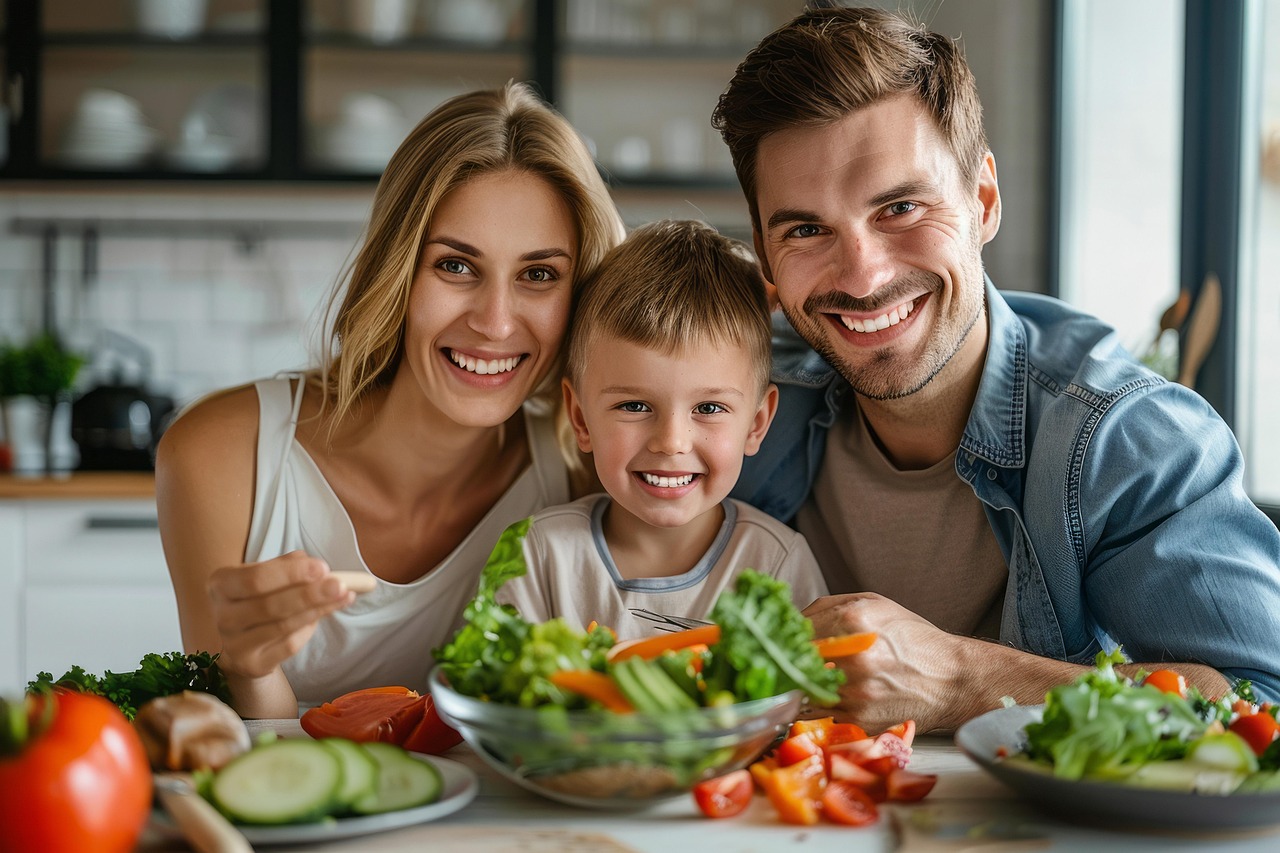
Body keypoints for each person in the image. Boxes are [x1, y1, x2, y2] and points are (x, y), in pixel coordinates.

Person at [712, 6, 1280, 732]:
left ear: (982, 201)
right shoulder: (736, 404)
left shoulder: (1128, 438)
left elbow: (1262, 701)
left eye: (900, 207)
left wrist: (958, 678)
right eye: (806, 229)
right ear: (764, 257)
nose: (860, 275)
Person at [155, 82, 626, 719]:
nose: (494, 322)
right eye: (456, 266)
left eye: (538, 275)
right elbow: (228, 749)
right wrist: (247, 668)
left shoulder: (579, 477)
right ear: (396, 270)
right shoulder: (222, 454)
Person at [496, 219, 827, 638]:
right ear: (580, 418)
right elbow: (491, 692)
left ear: (757, 423)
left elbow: (811, 699)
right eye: (634, 406)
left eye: (708, 407)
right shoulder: (537, 552)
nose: (671, 442)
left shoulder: (777, 563)